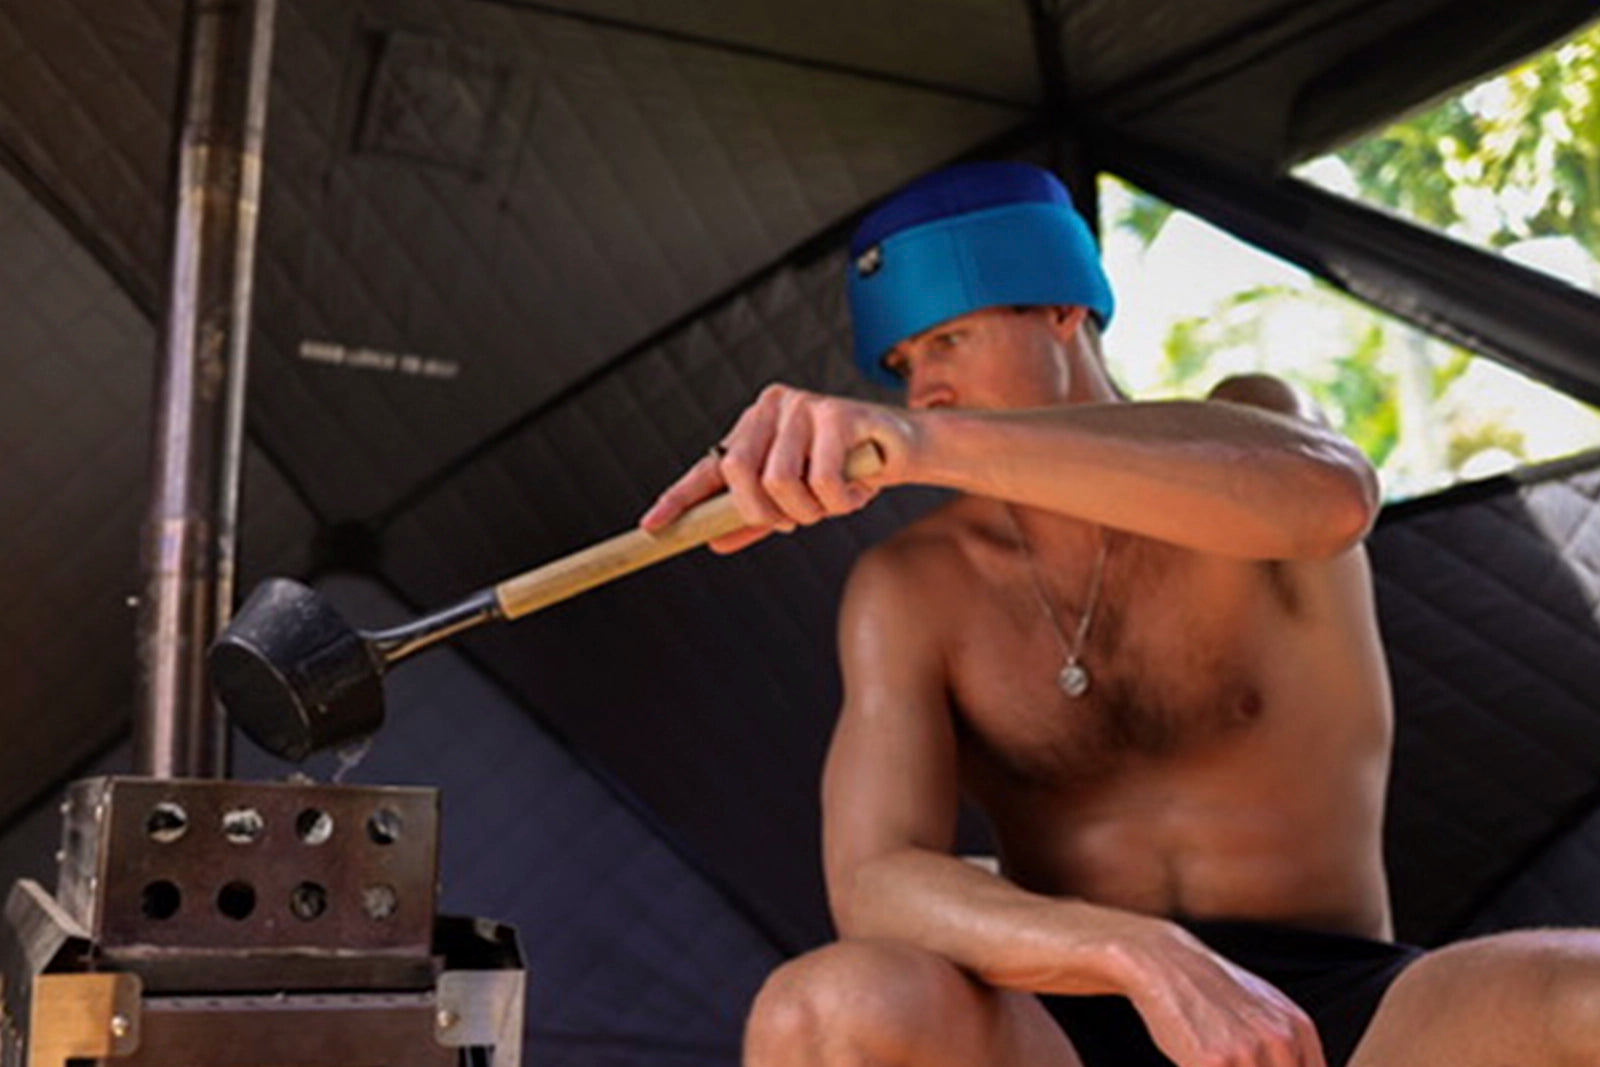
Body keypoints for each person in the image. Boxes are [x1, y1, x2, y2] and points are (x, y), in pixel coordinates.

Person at [640, 161, 1600, 1067]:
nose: (921, 385)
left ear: (1061, 307)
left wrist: (927, 440)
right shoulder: (914, 586)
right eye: (900, 364)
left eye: (948, 340)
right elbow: (873, 882)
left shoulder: (1249, 434)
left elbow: (1334, 498)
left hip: (1338, 1004)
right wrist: (1137, 953)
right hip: (1070, 1015)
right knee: (825, 1004)